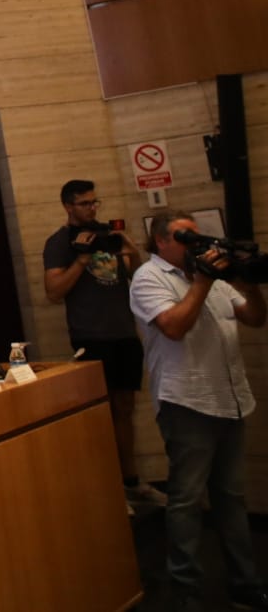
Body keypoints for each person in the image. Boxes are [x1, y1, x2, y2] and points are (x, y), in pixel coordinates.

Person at [130, 211, 268, 611]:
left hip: (229, 398)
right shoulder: (149, 278)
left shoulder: (213, 275)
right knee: (187, 501)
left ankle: (244, 583)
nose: (194, 244)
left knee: (231, 498)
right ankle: (186, 593)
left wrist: (245, 280)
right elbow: (173, 327)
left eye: (196, 235)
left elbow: (255, 317)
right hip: (186, 401)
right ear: (160, 241)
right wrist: (202, 282)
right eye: (183, 237)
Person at [43, 179, 164, 510]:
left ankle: (131, 481)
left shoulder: (108, 235)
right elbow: (53, 292)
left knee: (125, 409)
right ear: (68, 206)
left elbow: (139, 278)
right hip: (91, 336)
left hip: (124, 333)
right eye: (85, 203)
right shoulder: (60, 242)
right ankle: (110, 489)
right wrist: (82, 259)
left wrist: (131, 252)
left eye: (95, 202)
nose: (92, 209)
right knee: (101, 413)